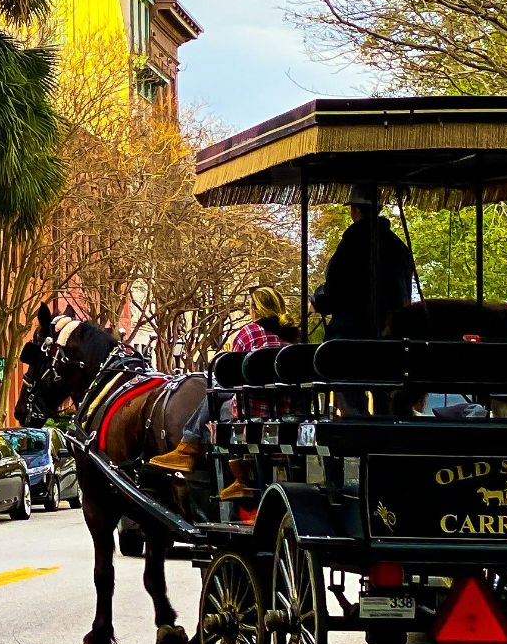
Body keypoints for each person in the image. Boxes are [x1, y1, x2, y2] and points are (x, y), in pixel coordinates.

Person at [150, 288, 298, 499]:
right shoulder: (292, 336)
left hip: (252, 408)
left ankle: (191, 449)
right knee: (219, 396)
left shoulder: (250, 332)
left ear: (255, 309)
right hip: (286, 409)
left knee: (216, 399)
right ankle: (190, 449)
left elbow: (229, 374)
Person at [312, 183, 415, 340]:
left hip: (352, 337)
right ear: (379, 209)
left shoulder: (351, 244)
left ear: (355, 210)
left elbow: (335, 295)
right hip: (393, 337)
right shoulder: (399, 246)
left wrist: (317, 299)